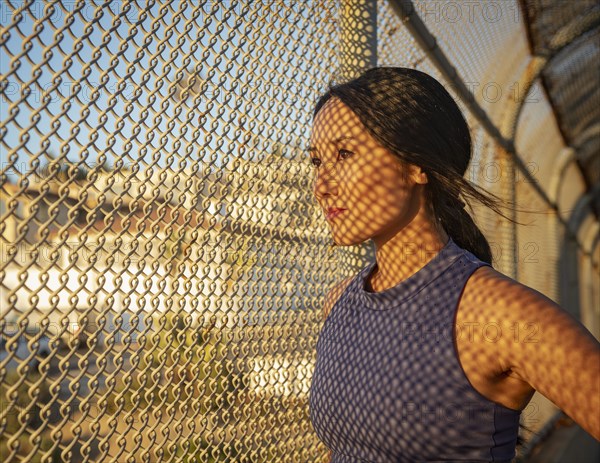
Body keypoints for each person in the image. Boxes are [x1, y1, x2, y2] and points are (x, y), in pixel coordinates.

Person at [306, 67, 600, 462]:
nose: (321, 185)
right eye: (316, 160)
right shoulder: (341, 302)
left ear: (416, 165)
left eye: (344, 154)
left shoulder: (499, 316)